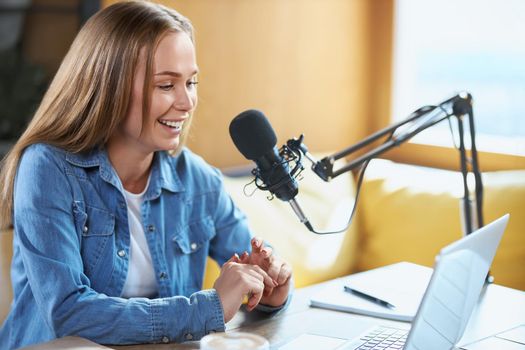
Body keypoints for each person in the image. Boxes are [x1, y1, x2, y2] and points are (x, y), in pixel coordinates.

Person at [0, 1, 292, 349]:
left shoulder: (196, 179)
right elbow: (68, 312)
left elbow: (252, 266)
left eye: (191, 82)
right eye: (166, 85)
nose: (187, 103)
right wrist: (207, 308)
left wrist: (271, 286)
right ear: (108, 85)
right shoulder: (47, 169)